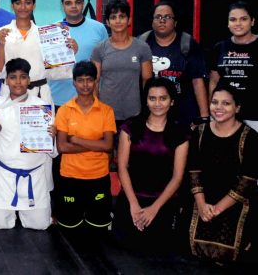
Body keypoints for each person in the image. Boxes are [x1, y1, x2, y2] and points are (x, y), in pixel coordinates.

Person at [113, 77, 189, 253]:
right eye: (152, 98)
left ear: (172, 101)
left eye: (163, 98)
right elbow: (122, 167)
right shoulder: (130, 127)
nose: (157, 104)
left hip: (162, 203)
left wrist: (154, 209)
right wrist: (133, 204)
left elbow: (178, 177)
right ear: (145, 100)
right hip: (131, 201)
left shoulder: (180, 134)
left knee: (158, 251)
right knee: (125, 251)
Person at [0, 58, 56, 230]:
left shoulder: (42, 107)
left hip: (33, 176)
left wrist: (52, 136)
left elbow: (52, 152)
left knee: (41, 225)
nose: (18, 82)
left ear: (29, 80)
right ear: (6, 80)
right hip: (3, 176)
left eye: (23, 77)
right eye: (13, 77)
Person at [188, 84, 257, 262]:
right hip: (202, 199)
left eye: (226, 103)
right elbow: (194, 171)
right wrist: (202, 205)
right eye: (214, 102)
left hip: (235, 201)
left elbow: (247, 181)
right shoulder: (200, 132)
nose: (218, 108)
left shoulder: (250, 137)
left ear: (237, 108)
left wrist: (217, 210)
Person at [55, 61, 117, 237]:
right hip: (70, 176)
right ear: (74, 82)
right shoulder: (64, 110)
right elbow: (62, 147)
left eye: (89, 80)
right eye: (80, 80)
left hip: (98, 176)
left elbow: (108, 146)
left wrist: (75, 139)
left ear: (96, 81)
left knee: (98, 230)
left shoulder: (106, 111)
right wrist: (94, 145)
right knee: (69, 228)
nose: (85, 85)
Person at [0, 0, 78, 107]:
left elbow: (57, 73)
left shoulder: (45, 34)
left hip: (40, 93)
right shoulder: (1, 33)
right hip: (10, 94)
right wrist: (1, 44)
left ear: (34, 5)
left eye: (28, 2)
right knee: (9, 126)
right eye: (18, 3)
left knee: (43, 127)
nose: (23, 7)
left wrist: (69, 52)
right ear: (12, 6)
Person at [139, 1, 209, 127]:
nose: (162, 20)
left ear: (175, 22)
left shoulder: (187, 44)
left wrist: (204, 117)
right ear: (152, 21)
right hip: (151, 113)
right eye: (158, 17)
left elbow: (197, 81)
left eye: (167, 17)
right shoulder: (142, 42)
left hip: (183, 113)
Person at [91, 0, 153, 125]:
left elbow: (147, 79)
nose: (118, 21)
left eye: (122, 16)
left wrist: (147, 110)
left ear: (129, 20)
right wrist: (96, 110)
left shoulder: (142, 47)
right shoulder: (99, 49)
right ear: (107, 22)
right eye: (113, 17)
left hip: (135, 113)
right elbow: (94, 82)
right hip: (106, 113)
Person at [48, 0, 108, 109]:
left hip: (89, 98)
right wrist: (70, 53)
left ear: (83, 4)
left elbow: (105, 63)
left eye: (78, 2)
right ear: (62, 6)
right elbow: (48, 66)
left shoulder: (99, 28)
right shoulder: (52, 31)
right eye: (68, 3)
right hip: (58, 97)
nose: (73, 6)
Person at [209, 1, 257, 131]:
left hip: (254, 117)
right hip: (225, 116)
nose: (238, 23)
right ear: (228, 23)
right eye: (233, 19)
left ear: (252, 21)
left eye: (243, 19)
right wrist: (213, 112)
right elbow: (214, 81)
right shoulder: (219, 47)